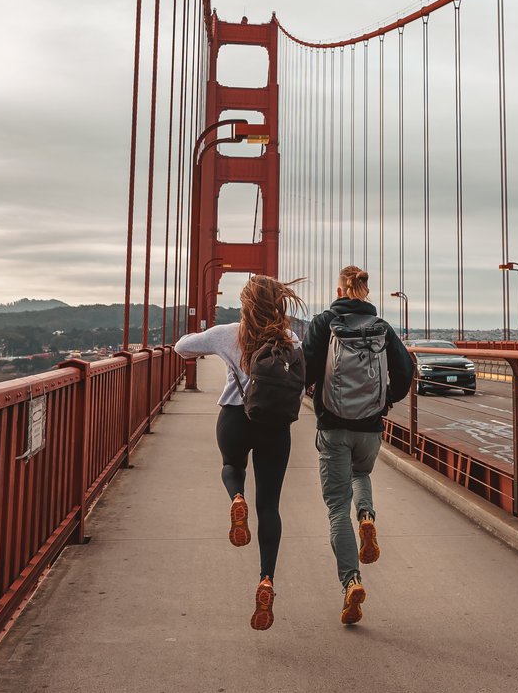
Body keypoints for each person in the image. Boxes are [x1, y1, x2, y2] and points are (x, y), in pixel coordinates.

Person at [174, 275, 305, 631]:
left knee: (231, 465)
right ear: (279, 303)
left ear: (246, 305)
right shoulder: (290, 338)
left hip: (234, 417)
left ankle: (235, 497)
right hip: (275, 427)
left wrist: (209, 347)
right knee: (270, 507)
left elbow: (181, 348)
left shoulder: (228, 333)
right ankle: (266, 579)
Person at [302, 265, 414, 625]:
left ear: (339, 289)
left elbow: (303, 368)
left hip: (333, 425)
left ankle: (351, 582)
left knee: (337, 508)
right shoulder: (381, 328)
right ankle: (366, 516)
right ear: (365, 291)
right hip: (369, 425)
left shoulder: (324, 323)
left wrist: (307, 391)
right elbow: (405, 371)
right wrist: (385, 401)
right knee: (361, 472)